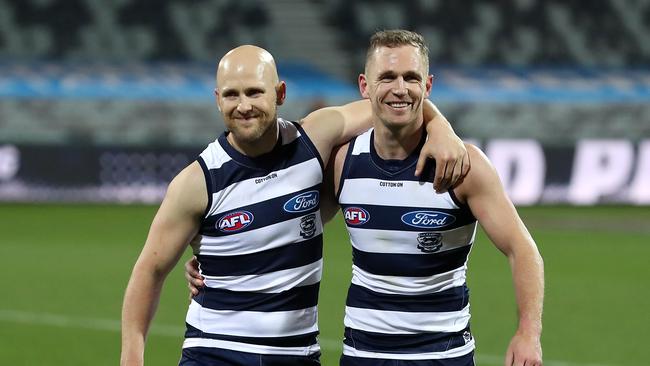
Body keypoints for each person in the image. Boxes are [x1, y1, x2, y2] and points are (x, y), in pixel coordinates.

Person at [186, 30, 545, 366]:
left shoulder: (462, 165)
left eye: (411, 77)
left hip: (442, 355)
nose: (399, 89)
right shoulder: (343, 163)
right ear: (365, 86)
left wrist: (529, 332)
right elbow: (290, 227)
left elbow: (522, 248)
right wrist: (220, 260)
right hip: (361, 355)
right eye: (387, 78)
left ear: (428, 85)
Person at [120, 44, 469, 366]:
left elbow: (394, 100)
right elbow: (149, 271)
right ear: (217, 100)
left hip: (296, 355)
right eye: (231, 95)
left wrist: (440, 126)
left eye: (255, 92)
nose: (244, 105)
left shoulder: (314, 140)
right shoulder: (197, 182)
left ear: (280, 93)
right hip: (215, 353)